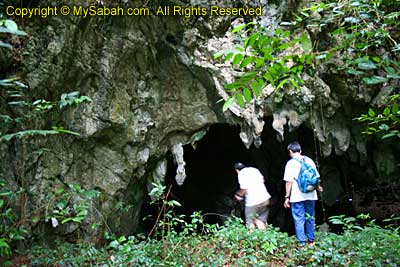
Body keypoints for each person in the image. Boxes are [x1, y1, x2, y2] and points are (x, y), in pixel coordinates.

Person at [283, 141, 323, 246]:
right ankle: (311, 241)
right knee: (310, 217)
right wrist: (318, 188)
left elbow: (288, 182)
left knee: (299, 218)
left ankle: (302, 243)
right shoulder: (309, 160)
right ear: (300, 151)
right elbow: (316, 177)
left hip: (297, 196)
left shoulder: (291, 163)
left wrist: (287, 197)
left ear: (290, 151)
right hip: (311, 194)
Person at [234, 162, 271, 230]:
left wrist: (238, 195)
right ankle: (264, 238)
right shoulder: (254, 169)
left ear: (236, 170)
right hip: (265, 199)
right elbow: (263, 180)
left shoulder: (241, 174)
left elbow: (244, 189)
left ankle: (252, 239)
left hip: (253, 203)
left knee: (250, 221)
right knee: (260, 220)